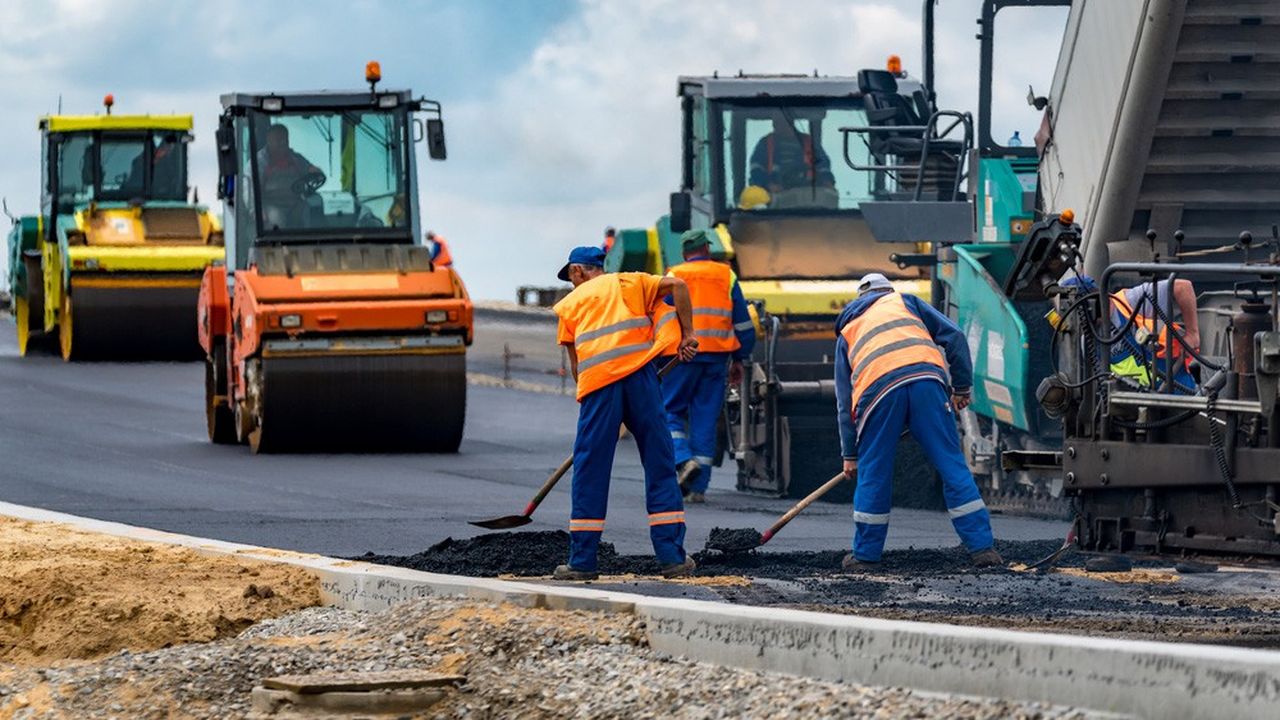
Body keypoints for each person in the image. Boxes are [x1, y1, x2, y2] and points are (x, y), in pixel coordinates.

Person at [552, 246, 700, 580]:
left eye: (571, 277)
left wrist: (603, 410)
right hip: (642, 380)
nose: (572, 284)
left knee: (590, 469)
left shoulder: (570, 305)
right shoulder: (631, 283)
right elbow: (678, 286)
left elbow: (577, 368)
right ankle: (672, 558)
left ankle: (582, 562)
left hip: (600, 388)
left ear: (578, 271)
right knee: (661, 464)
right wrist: (688, 334)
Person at [834, 273, 1001, 569]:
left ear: (860, 299)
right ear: (888, 291)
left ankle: (865, 556)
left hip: (878, 393)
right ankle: (983, 549)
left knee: (874, 472)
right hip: (927, 382)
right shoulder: (906, 302)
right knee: (952, 465)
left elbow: (844, 401)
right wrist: (961, 387)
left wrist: (851, 455)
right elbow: (956, 337)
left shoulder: (848, 328)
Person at [657, 229, 755, 503]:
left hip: (681, 357)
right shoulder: (727, 275)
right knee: (705, 421)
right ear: (707, 250)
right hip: (717, 359)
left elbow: (660, 317)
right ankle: (698, 489)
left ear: (685, 252)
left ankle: (682, 459)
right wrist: (741, 357)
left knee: (667, 411)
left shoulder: (673, 274)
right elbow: (743, 324)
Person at [1063, 274, 1200, 392]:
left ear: (1092, 303)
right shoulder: (1087, 341)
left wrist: (1192, 334)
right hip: (1134, 407)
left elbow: (1183, 287)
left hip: (1179, 395)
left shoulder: (1131, 301)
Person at [748, 115, 835, 201]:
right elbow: (756, 169)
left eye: (780, 121)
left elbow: (823, 165)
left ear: (791, 122)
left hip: (808, 195)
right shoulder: (765, 143)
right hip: (775, 201)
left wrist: (827, 181)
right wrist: (767, 185)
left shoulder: (809, 142)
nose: (775, 125)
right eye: (775, 122)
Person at [257, 124, 323, 227]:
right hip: (271, 205)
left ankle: (316, 239)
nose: (283, 143)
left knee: (315, 202)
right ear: (269, 141)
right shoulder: (260, 162)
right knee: (277, 218)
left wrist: (315, 172)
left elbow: (310, 169)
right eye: (278, 140)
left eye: (285, 140)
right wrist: (257, 211)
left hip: (295, 203)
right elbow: (250, 191)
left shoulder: (295, 159)